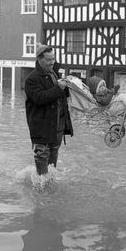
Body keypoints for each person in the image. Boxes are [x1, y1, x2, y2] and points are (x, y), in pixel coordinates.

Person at [25, 44, 73, 177]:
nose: (52, 62)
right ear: (39, 60)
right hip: (42, 128)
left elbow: (61, 95)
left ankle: (49, 190)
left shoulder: (53, 73)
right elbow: (40, 98)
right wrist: (59, 88)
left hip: (57, 126)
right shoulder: (31, 79)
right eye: (48, 59)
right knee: (42, 159)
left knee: (52, 164)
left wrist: (68, 87)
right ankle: (40, 193)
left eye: (53, 58)